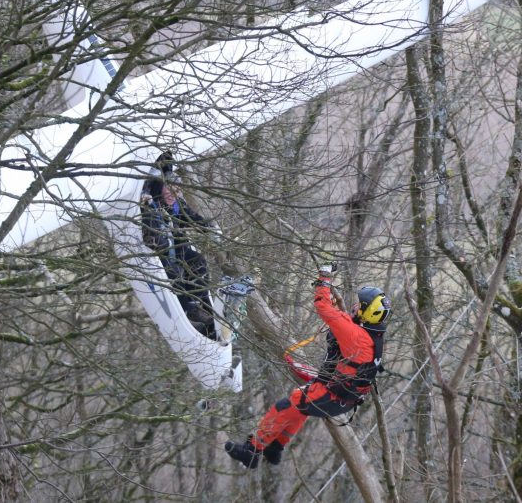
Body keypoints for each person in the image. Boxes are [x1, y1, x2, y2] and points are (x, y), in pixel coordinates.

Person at [224, 266, 390, 469]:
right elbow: (345, 321)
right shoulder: (372, 334)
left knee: (287, 405)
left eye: (360, 305)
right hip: (344, 397)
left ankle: (252, 450)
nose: (355, 306)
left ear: (367, 313)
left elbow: (323, 307)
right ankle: (275, 446)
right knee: (299, 407)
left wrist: (324, 278)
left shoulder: (357, 337)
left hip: (334, 395)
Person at [140, 152, 219, 340]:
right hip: (161, 252)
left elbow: (190, 217)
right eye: (168, 189)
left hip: (178, 248)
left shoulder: (177, 204)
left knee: (196, 261)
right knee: (173, 272)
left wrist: (210, 227)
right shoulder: (154, 207)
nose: (172, 193)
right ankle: (188, 310)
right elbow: (152, 233)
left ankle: (200, 302)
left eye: (175, 189)